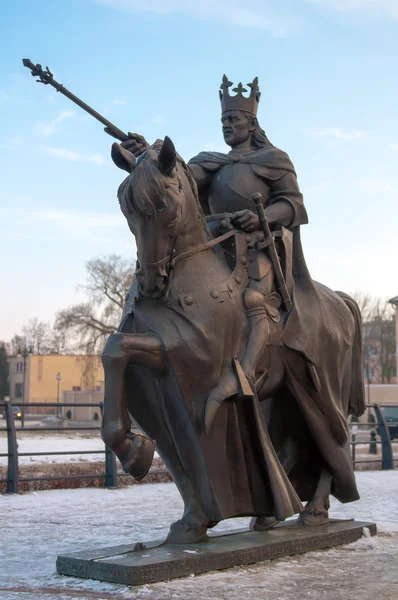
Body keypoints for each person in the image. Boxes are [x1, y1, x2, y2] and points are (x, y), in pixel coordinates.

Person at [116, 75, 308, 406]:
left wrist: (261, 217)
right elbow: (176, 179)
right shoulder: (210, 162)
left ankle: (246, 374)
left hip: (257, 245)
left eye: (233, 119)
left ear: (251, 122)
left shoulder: (274, 160)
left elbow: (294, 205)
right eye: (223, 120)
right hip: (217, 245)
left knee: (254, 299)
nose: (227, 125)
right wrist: (148, 152)